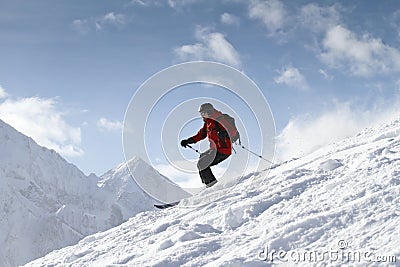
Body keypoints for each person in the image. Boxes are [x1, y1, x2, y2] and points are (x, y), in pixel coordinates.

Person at [180, 103, 237, 187]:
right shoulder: (208, 122)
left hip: (223, 150)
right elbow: (201, 135)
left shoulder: (220, 119)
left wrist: (225, 133)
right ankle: (208, 184)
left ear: (209, 111)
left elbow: (233, 131)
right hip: (214, 149)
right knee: (202, 158)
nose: (202, 115)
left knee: (202, 164)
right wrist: (188, 141)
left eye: (203, 113)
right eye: (201, 114)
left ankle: (213, 186)